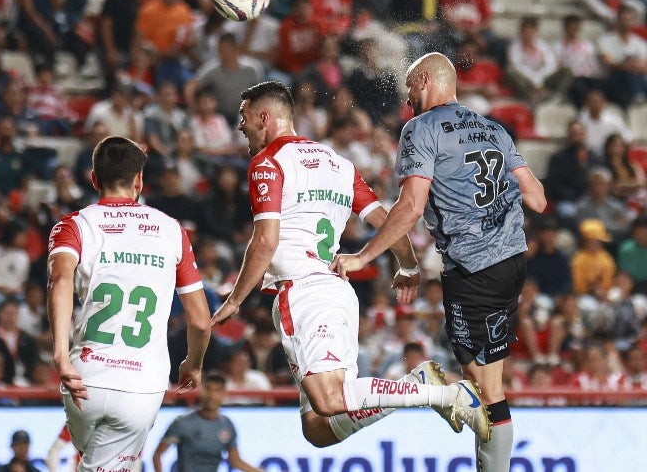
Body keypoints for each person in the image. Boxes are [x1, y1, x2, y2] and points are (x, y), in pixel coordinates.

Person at [211, 81, 489, 450]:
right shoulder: (338, 164)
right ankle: (418, 387)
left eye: (244, 117)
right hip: (338, 293)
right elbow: (386, 220)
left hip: (303, 292)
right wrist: (407, 265)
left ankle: (429, 390)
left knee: (328, 401)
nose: (241, 126)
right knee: (318, 427)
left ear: (264, 117)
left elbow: (265, 240)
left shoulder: (267, 163)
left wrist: (235, 299)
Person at [330, 54, 547, 472]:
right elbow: (537, 197)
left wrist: (364, 256)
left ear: (426, 79)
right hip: (512, 263)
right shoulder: (493, 127)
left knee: (481, 390)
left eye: (411, 86)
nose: (408, 97)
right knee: (493, 386)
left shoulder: (421, 128)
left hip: (473, 268)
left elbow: (411, 204)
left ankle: (431, 388)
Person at [47, 136, 211, 472]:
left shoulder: (74, 225)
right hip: (140, 385)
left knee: (90, 460)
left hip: (84, 378)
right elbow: (200, 321)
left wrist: (60, 354)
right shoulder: (171, 231)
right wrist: (193, 364)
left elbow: (60, 279)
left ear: (94, 179)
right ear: (139, 180)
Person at [152, 371, 264, 472]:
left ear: (224, 394)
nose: (212, 395)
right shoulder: (183, 423)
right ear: (202, 391)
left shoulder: (227, 425)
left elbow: (235, 461)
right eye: (208, 389)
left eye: (217, 391)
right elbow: (157, 455)